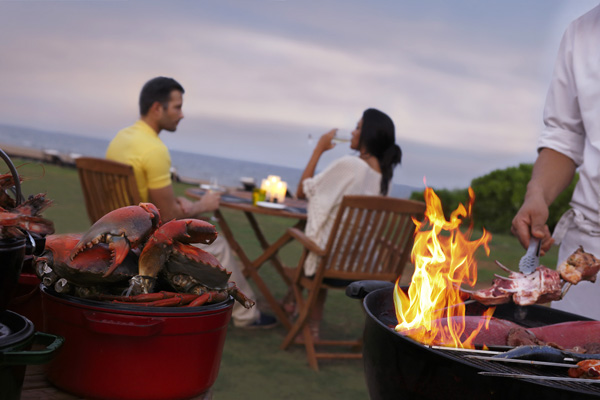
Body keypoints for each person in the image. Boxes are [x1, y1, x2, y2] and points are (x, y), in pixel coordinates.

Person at [106, 76, 276, 328]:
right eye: (177, 107)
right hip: (142, 242)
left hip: (117, 230)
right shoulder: (154, 149)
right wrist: (202, 206)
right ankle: (246, 315)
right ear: (157, 108)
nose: (182, 114)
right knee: (219, 244)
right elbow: (171, 215)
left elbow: (148, 201)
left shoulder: (122, 138)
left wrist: (179, 204)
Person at [511, 5, 600, 320]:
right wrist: (538, 193)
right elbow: (565, 134)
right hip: (588, 247)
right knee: (573, 361)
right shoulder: (582, 32)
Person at [287, 108, 402, 339]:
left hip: (329, 265)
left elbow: (301, 191)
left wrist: (319, 149)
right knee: (327, 248)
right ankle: (295, 309)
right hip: (362, 268)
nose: (352, 132)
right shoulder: (384, 179)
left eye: (358, 127)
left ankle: (308, 325)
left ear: (368, 135)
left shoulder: (351, 165)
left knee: (317, 252)